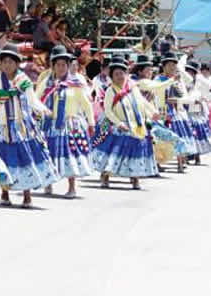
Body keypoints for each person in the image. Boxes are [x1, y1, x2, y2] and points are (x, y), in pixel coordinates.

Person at [0, 43, 58, 207]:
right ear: (0, 63)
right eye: (4, 62)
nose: (7, 65)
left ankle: (27, 194)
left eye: (11, 61)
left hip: (20, 127)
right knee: (2, 162)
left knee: (24, 160)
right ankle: (5, 192)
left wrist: (44, 110)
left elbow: (32, 100)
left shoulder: (23, 81)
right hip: (0, 128)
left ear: (17, 63)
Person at [90, 56, 158, 189]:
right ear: (112, 76)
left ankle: (135, 177)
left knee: (136, 152)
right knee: (113, 153)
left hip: (135, 124)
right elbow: (108, 111)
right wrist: (118, 123)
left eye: (122, 73)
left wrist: (152, 112)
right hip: (118, 126)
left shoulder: (133, 88)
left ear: (126, 74)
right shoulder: (111, 90)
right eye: (116, 74)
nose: (120, 76)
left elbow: (142, 103)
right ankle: (105, 175)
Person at [36, 45, 95, 198]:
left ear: (68, 66)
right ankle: (48, 184)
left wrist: (91, 123)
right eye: (58, 65)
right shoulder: (46, 84)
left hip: (70, 124)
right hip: (51, 124)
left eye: (64, 65)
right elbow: (36, 100)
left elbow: (86, 104)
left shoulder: (76, 84)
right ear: (53, 66)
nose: (61, 68)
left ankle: (71, 187)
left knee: (70, 155)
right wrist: (42, 111)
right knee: (49, 154)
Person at [155, 52, 197, 172]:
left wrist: (177, 100)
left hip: (177, 112)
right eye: (169, 65)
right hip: (162, 111)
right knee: (161, 138)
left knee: (180, 136)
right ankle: (158, 162)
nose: (172, 68)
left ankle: (180, 162)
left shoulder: (178, 80)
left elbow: (186, 96)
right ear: (163, 66)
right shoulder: (158, 79)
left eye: (174, 65)